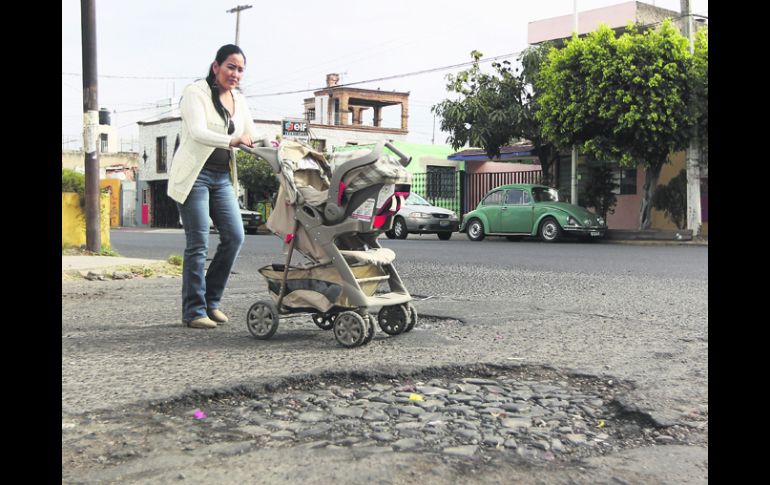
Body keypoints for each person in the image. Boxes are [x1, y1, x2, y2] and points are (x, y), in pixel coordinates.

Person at [167, 44, 263, 329]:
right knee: (198, 244)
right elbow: (198, 132)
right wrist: (232, 140)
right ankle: (194, 311)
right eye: (230, 67)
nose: (235, 74)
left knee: (235, 236)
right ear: (216, 67)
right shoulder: (195, 92)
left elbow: (252, 134)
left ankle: (211, 301)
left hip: (222, 178)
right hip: (194, 175)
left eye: (240, 69)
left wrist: (275, 146)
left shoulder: (238, 100)